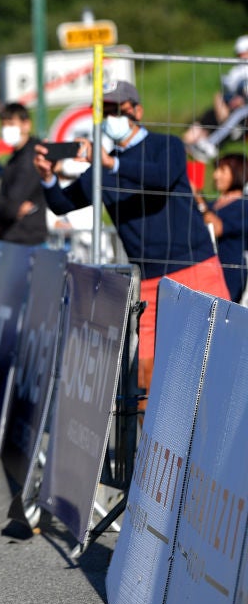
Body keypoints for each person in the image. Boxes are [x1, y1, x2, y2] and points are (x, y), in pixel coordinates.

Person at [33, 80, 230, 393]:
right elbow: (62, 204)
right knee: (147, 378)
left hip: (198, 267)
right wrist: (48, 179)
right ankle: (155, 442)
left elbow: (161, 177)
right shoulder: (102, 168)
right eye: (106, 111)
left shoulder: (167, 146)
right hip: (153, 281)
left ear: (137, 111)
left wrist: (112, 162)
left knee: (222, 363)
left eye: (119, 110)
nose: (112, 117)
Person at [0, 103, 47, 245]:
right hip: (12, 237)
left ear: (26, 125)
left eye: (11, 124)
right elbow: (4, 204)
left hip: (28, 239)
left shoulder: (34, 156)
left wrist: (6, 206)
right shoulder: (14, 158)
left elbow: (13, 202)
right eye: (3, 125)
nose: (6, 129)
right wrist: (4, 206)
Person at [183, 36, 248, 159]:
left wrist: (242, 100)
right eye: (239, 54)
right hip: (229, 107)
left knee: (240, 112)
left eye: (244, 53)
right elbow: (226, 91)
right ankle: (190, 143)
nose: (241, 57)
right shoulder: (236, 71)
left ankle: (210, 144)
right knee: (210, 114)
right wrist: (224, 100)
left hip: (241, 111)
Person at [196, 154, 248, 303]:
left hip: (229, 274)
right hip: (205, 271)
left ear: (238, 172)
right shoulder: (212, 205)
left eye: (222, 170)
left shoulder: (243, 206)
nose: (215, 175)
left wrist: (198, 199)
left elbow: (217, 228)